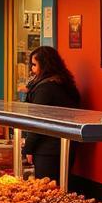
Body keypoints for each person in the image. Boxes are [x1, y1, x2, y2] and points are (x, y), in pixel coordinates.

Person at [23, 46, 81, 182]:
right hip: (65, 146)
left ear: (45, 65)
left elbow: (37, 121)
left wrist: (28, 148)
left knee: (47, 189)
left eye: (34, 65)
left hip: (47, 150)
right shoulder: (64, 83)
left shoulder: (46, 88)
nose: (32, 69)